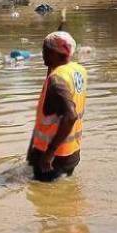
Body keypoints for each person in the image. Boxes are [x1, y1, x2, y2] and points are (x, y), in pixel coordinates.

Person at [27, 30, 86, 181]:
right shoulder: (78, 70)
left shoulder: (57, 81)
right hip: (72, 153)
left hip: (53, 157)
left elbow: (70, 116)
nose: (42, 53)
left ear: (56, 53)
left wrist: (49, 154)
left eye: (46, 50)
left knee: (42, 201)